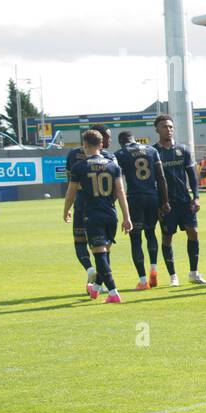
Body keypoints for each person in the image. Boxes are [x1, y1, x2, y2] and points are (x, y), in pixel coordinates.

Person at [62, 128, 132, 303]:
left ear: (84, 145)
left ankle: (113, 292)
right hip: (111, 214)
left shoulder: (79, 167)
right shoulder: (113, 166)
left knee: (100, 256)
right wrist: (127, 217)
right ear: (101, 145)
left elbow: (71, 193)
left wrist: (66, 210)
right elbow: (121, 192)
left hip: (92, 216)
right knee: (105, 253)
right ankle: (96, 288)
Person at [153, 114, 206, 286]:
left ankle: (193, 273)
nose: (168, 130)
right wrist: (158, 204)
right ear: (157, 130)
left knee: (194, 232)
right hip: (166, 203)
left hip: (184, 201)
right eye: (164, 127)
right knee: (167, 237)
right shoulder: (154, 152)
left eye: (170, 126)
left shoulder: (183, 150)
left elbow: (192, 176)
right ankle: (173, 276)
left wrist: (196, 197)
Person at [114, 131, 168, 290]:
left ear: (122, 142)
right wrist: (164, 201)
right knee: (151, 233)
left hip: (134, 198)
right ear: (134, 139)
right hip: (152, 197)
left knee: (136, 238)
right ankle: (154, 269)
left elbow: (117, 179)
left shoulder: (121, 154)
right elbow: (161, 178)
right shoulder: (152, 150)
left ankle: (143, 281)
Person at [65, 124, 110, 292]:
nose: (109, 140)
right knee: (103, 247)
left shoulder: (73, 154)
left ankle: (90, 270)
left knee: (80, 241)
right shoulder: (107, 157)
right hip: (103, 207)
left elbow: (70, 182)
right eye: (107, 137)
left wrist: (67, 207)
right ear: (100, 138)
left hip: (80, 204)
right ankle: (101, 283)